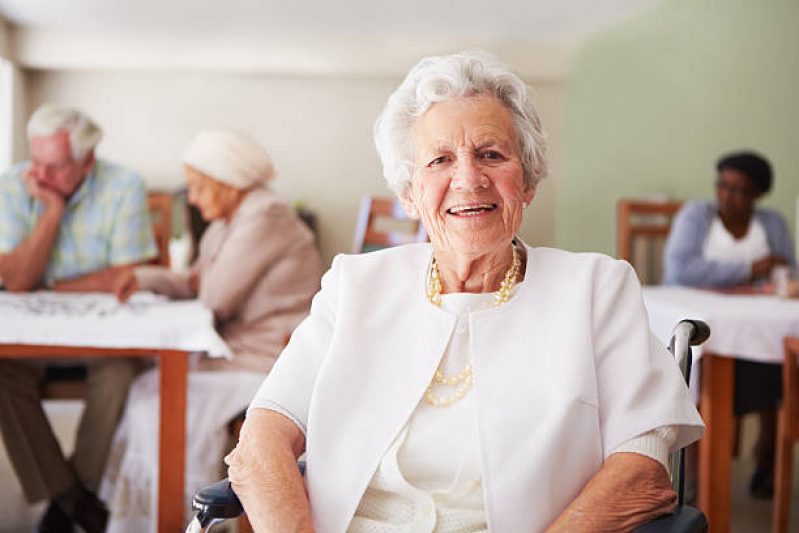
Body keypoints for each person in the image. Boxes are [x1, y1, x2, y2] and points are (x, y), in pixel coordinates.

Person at [224, 51, 704, 532]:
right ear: (410, 192)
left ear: (528, 180)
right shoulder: (354, 286)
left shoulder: (597, 289)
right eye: (440, 160)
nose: (469, 179)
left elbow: (643, 473)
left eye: (492, 154)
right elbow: (261, 441)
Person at [100, 129, 324, 531]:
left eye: (198, 188)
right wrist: (142, 277)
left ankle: (176, 517)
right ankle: (142, 518)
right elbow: (196, 281)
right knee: (145, 389)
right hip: (237, 350)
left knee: (159, 402)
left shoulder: (265, 218)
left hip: (270, 361)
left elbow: (215, 298)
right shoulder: (231, 220)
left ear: (228, 182)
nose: (195, 199)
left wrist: (168, 281)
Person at [0, 103, 157, 532]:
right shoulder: (13, 186)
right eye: (36, 161)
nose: (40, 175)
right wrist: (51, 211)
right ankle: (73, 499)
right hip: (31, 343)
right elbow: (15, 280)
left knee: (121, 368)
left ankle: (66, 501)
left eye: (55, 166)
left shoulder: (123, 185)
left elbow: (126, 276)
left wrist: (49, 286)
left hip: (100, 343)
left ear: (87, 162)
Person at [663, 151, 795, 499]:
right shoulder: (696, 215)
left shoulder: (773, 222)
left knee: (773, 359)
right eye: (723, 185)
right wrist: (753, 269)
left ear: (758, 195)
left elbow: (787, 273)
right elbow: (681, 270)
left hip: (752, 321)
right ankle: (691, 473)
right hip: (698, 324)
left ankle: (766, 458)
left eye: (740, 190)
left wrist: (774, 275)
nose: (727, 195)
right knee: (700, 363)